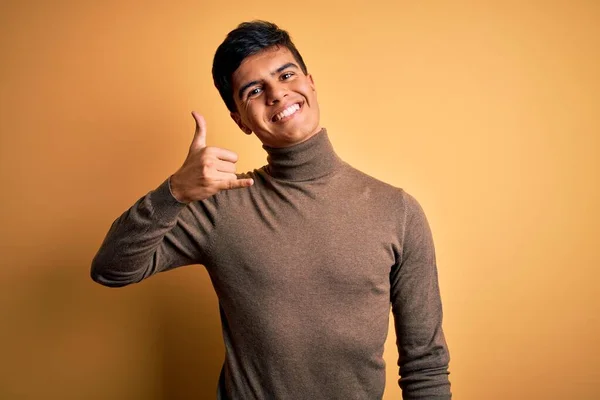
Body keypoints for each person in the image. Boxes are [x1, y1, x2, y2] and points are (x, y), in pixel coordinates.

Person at [91, 20, 451, 400]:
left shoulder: (398, 211)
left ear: (310, 82)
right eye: (254, 90)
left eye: (286, 74)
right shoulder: (220, 208)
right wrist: (174, 192)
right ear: (240, 121)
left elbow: (424, 363)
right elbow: (112, 270)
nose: (278, 94)